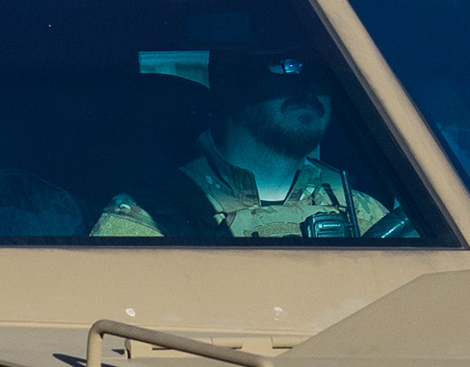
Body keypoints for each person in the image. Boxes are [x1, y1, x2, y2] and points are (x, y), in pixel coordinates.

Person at [94, 50, 394, 240]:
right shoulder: (150, 215)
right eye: (287, 65)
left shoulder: (363, 212)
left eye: (323, 73)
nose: (310, 88)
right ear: (229, 84)